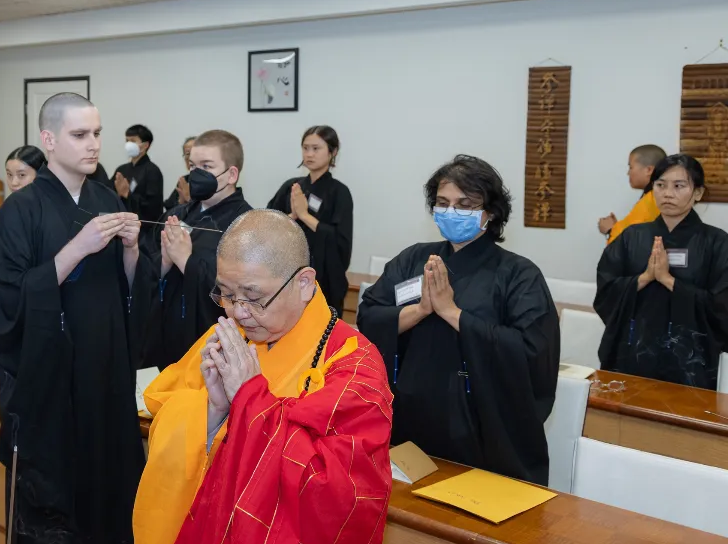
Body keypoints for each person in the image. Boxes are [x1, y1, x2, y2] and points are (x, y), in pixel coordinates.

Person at [136, 209, 393, 544]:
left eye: (252, 297)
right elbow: (164, 406)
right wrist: (214, 412)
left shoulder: (352, 363)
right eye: (225, 295)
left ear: (304, 283)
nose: (237, 312)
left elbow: (342, 496)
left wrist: (250, 401)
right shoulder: (230, 336)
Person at [0, 92, 147, 544]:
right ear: (49, 140)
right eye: (80, 135)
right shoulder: (20, 211)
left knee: (111, 497)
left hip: (105, 385)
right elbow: (8, 305)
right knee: (55, 509)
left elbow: (127, 298)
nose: (94, 144)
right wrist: (75, 249)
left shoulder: (106, 198)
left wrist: (133, 252)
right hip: (50, 394)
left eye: (98, 133)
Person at [357, 155, 559, 486]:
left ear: (490, 212)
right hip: (409, 418)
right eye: (442, 203)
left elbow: (531, 351)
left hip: (481, 429)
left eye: (465, 205)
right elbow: (370, 316)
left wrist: (453, 313)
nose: (451, 212)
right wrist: (421, 310)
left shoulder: (518, 275)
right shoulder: (414, 259)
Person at [595, 153, 728, 389]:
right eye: (660, 185)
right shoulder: (631, 237)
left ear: (698, 193)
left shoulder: (717, 242)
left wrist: (669, 281)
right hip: (632, 354)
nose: (667, 194)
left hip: (691, 362)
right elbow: (606, 290)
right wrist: (644, 278)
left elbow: (722, 306)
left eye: (679, 186)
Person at [142, 129, 253, 369]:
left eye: (206, 166)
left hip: (210, 346)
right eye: (192, 166)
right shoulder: (176, 214)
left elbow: (241, 293)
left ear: (231, 174)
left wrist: (186, 261)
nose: (196, 174)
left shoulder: (247, 225)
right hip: (163, 338)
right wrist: (165, 261)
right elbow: (145, 270)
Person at [266, 126, 354, 312]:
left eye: (316, 148)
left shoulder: (340, 192)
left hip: (324, 279)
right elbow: (267, 225)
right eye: (305, 148)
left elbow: (341, 242)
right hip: (286, 274)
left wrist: (305, 216)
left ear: (333, 152)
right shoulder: (291, 186)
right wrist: (292, 216)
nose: (309, 154)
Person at [599, 144, 666, 244]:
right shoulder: (655, 196)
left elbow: (633, 242)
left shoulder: (652, 200)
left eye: (631, 167)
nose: (628, 173)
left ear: (649, 170)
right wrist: (617, 226)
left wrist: (610, 230)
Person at [114, 123, 166, 226]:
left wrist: (127, 195)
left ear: (145, 145)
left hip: (143, 229)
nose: (128, 144)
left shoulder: (152, 171)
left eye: (133, 141)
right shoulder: (121, 169)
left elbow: (153, 207)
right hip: (120, 224)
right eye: (127, 141)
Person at [162, 136, 197, 212]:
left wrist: (190, 200)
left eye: (195, 153)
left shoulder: (211, 180)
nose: (190, 157)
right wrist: (180, 203)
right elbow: (169, 207)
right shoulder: (184, 180)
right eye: (187, 154)